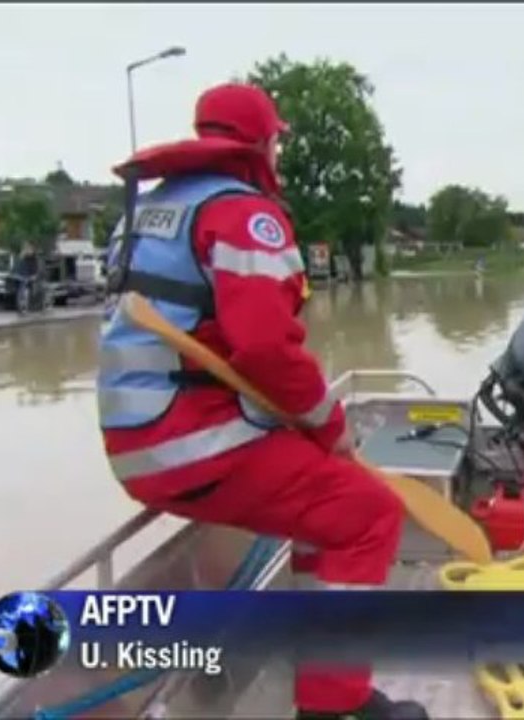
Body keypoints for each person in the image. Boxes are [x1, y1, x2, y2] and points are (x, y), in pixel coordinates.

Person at [95, 82, 425, 720]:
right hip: (193, 444)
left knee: (326, 513)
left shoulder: (147, 213)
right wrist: (328, 426)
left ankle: (323, 667)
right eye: (276, 141)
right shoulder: (243, 213)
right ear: (263, 142)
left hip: (139, 445)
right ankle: (335, 708)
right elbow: (266, 351)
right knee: (369, 514)